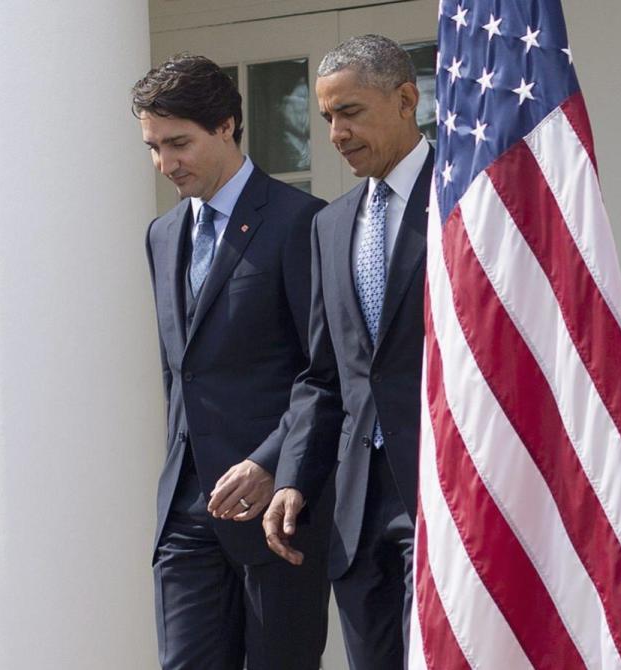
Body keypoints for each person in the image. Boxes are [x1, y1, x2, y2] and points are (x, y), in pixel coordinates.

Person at [134, 53, 333, 670]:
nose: (166, 164)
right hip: (186, 513)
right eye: (153, 146)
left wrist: (271, 463)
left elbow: (322, 373)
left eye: (179, 144)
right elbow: (182, 373)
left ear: (225, 126)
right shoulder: (161, 235)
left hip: (277, 513)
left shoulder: (304, 222)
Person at [262, 35, 433, 669]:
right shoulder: (328, 226)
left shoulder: (469, 200)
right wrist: (294, 478)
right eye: (327, 116)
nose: (335, 132)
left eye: (351, 112)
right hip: (356, 509)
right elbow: (323, 377)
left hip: (444, 490)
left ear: (407, 100)